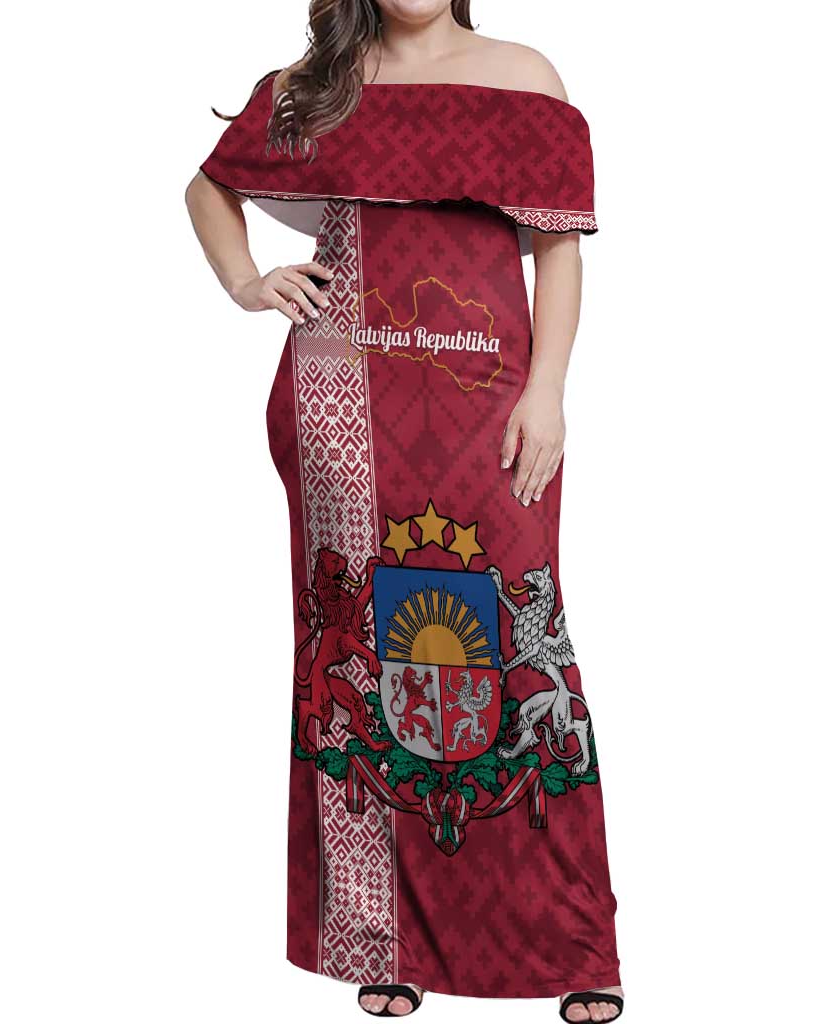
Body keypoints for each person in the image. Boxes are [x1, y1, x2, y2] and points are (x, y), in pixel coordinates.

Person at [186, 3, 623, 1020]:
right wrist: (247, 282)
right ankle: (381, 938)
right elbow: (208, 187)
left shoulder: (522, 75)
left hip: (492, 405)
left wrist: (548, 391)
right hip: (340, 400)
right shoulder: (318, 86)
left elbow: (559, 249)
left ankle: (571, 943)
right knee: (358, 657)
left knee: (521, 651)